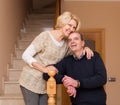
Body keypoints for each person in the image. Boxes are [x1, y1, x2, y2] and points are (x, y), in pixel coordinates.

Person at [19, 11, 93, 105]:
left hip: (47, 83)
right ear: (62, 23)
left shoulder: (67, 44)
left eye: (74, 27)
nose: (71, 29)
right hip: (30, 80)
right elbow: (26, 55)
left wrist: (85, 48)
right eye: (69, 25)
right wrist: (44, 69)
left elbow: (76, 53)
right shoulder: (45, 36)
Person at [44, 32, 107, 105]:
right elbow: (46, 74)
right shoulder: (67, 61)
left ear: (82, 43)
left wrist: (77, 83)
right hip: (77, 103)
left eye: (76, 39)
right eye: (70, 40)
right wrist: (66, 81)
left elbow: (102, 78)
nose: (72, 41)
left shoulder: (94, 56)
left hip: (97, 102)